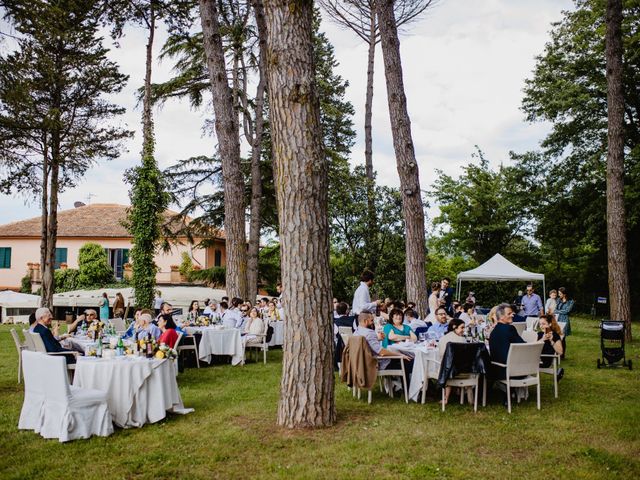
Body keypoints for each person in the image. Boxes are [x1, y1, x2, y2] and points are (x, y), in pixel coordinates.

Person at [354, 312, 412, 382]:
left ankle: (395, 386)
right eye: (371, 320)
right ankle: (408, 390)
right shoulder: (369, 333)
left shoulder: (356, 332)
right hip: (376, 364)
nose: (373, 323)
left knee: (402, 360)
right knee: (408, 363)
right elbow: (381, 352)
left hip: (362, 364)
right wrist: (400, 355)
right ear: (365, 321)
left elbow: (367, 343)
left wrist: (377, 339)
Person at [438, 318, 470, 405]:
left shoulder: (443, 338)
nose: (463, 330)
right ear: (454, 327)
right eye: (462, 328)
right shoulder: (462, 340)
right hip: (462, 369)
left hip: (447, 370)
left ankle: (446, 398)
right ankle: (467, 394)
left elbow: (441, 354)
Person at [489, 303, 525, 380]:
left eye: (512, 313)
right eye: (509, 313)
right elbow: (524, 347)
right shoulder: (510, 329)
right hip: (511, 371)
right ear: (501, 317)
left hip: (496, 370)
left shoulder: (493, 331)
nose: (513, 315)